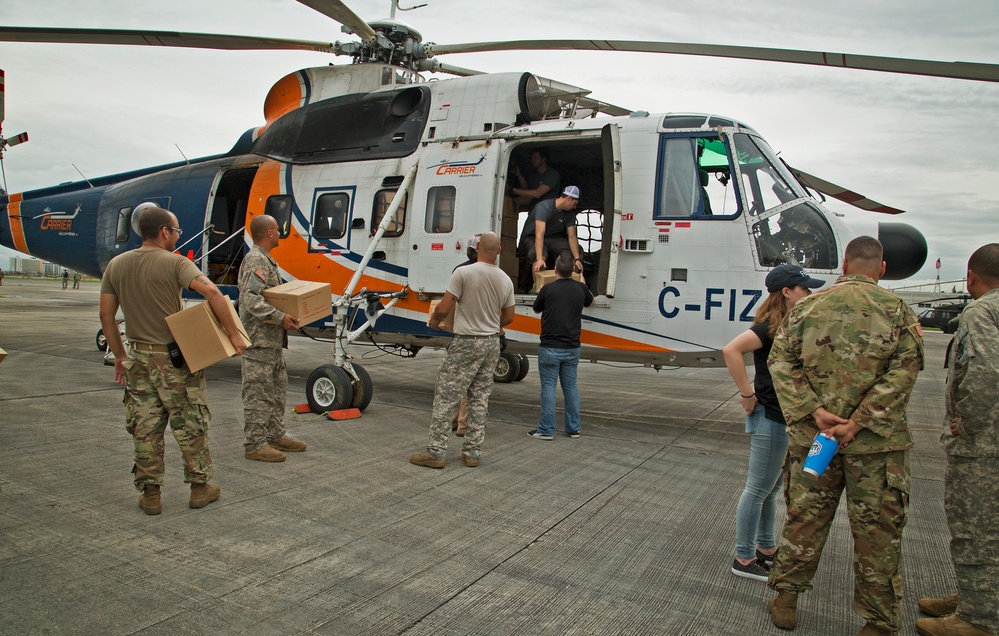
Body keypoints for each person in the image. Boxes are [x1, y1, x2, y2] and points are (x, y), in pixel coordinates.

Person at [766, 236, 923, 635]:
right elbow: (905, 370)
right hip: (874, 446)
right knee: (878, 533)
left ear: (846, 266)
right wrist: (860, 420)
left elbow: (779, 360)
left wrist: (813, 410)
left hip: (815, 439)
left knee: (805, 519)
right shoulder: (898, 310)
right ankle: (878, 621)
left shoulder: (808, 307)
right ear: (881, 270)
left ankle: (786, 598)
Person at [99, 205, 247, 515]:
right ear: (164, 232)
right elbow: (215, 294)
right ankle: (199, 488)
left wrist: (120, 356)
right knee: (190, 423)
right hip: (172, 358)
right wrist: (233, 335)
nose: (178, 236)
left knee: (145, 428)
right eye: (176, 231)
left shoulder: (116, 265)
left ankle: (151, 495)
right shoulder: (176, 263)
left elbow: (107, 317)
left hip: (137, 358)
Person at [916, 244, 999, 636]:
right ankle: (977, 595)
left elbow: (985, 371)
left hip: (984, 446)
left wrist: (966, 422)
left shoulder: (981, 311)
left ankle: (979, 619)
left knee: (975, 528)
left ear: (971, 277)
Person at [721, 264, 824, 582]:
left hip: (784, 417)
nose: (809, 293)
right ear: (787, 292)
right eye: (804, 288)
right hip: (771, 415)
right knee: (757, 489)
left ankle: (765, 548)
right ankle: (743, 556)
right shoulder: (769, 326)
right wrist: (746, 394)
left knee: (770, 488)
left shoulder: (789, 324)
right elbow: (731, 350)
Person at [409, 232, 515, 469]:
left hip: (467, 341)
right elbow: (509, 317)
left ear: (477, 248)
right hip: (491, 344)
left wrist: (435, 321)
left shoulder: (463, 273)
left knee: (447, 395)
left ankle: (436, 452)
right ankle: (472, 453)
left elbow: (444, 308)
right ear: (498, 251)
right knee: (479, 398)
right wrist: (493, 325)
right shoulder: (506, 279)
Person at [237, 214, 306, 463]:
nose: (279, 233)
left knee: (276, 390)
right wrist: (279, 317)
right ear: (268, 234)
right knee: (258, 393)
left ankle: (274, 434)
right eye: (277, 230)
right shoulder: (257, 259)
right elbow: (250, 298)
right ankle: (255, 444)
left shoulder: (266, 260)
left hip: (272, 342)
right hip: (259, 341)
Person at [528, 253, 594, 440]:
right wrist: (582, 281)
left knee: (548, 387)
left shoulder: (547, 289)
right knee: (571, 387)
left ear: (555, 270)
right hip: (572, 347)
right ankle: (573, 428)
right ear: (573, 270)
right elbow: (590, 301)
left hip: (550, 346)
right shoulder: (581, 289)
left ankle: (547, 430)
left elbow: (536, 308)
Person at [517, 186, 584, 293]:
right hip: (532, 237)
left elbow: (572, 237)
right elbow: (540, 234)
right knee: (541, 255)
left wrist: (577, 259)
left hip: (553, 237)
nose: (575, 207)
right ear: (569, 198)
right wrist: (539, 258)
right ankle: (537, 288)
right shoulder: (544, 207)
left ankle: (570, 287)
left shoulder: (569, 214)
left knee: (578, 250)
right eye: (575, 203)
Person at [450, 234, 480, 438]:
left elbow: (450, 299)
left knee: (457, 380)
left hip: (460, 331)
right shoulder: (487, 273)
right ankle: (463, 425)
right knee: (471, 384)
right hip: (477, 333)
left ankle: (453, 420)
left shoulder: (458, 271)